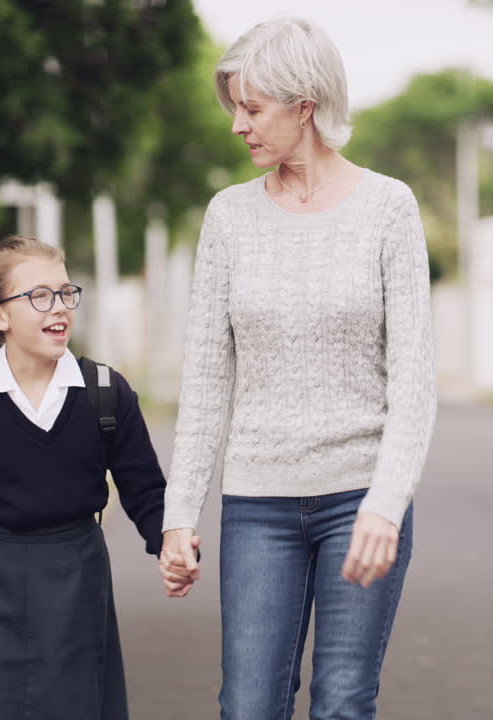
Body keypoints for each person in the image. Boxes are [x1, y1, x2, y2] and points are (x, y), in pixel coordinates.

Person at [157, 17, 437, 720]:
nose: (237, 127)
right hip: (258, 506)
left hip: (359, 499)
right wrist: (178, 512)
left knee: (343, 704)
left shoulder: (388, 209)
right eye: (234, 110)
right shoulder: (228, 219)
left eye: (251, 109)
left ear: (304, 106)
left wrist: (387, 502)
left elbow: (414, 380)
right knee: (249, 707)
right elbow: (206, 378)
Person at [0, 235, 166, 720]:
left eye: (65, 292)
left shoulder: (104, 395)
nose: (59, 307)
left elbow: (147, 493)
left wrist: (172, 544)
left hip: (80, 586)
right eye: (39, 296)